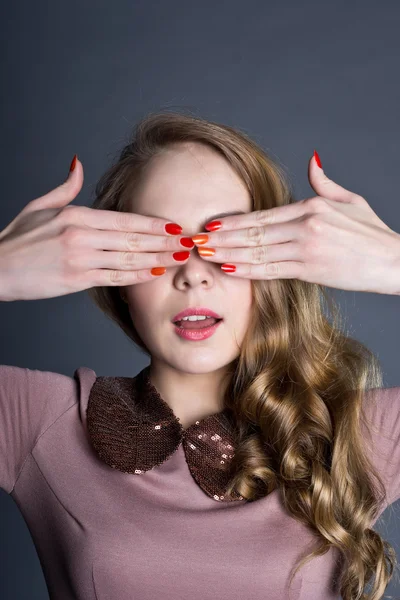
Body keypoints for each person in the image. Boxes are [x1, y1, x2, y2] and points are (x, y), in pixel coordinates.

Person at [0, 111, 399, 600]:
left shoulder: (359, 433)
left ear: (274, 263)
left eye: (225, 241)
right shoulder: (41, 424)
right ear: (118, 275)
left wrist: (393, 262)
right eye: (159, 246)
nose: (193, 274)